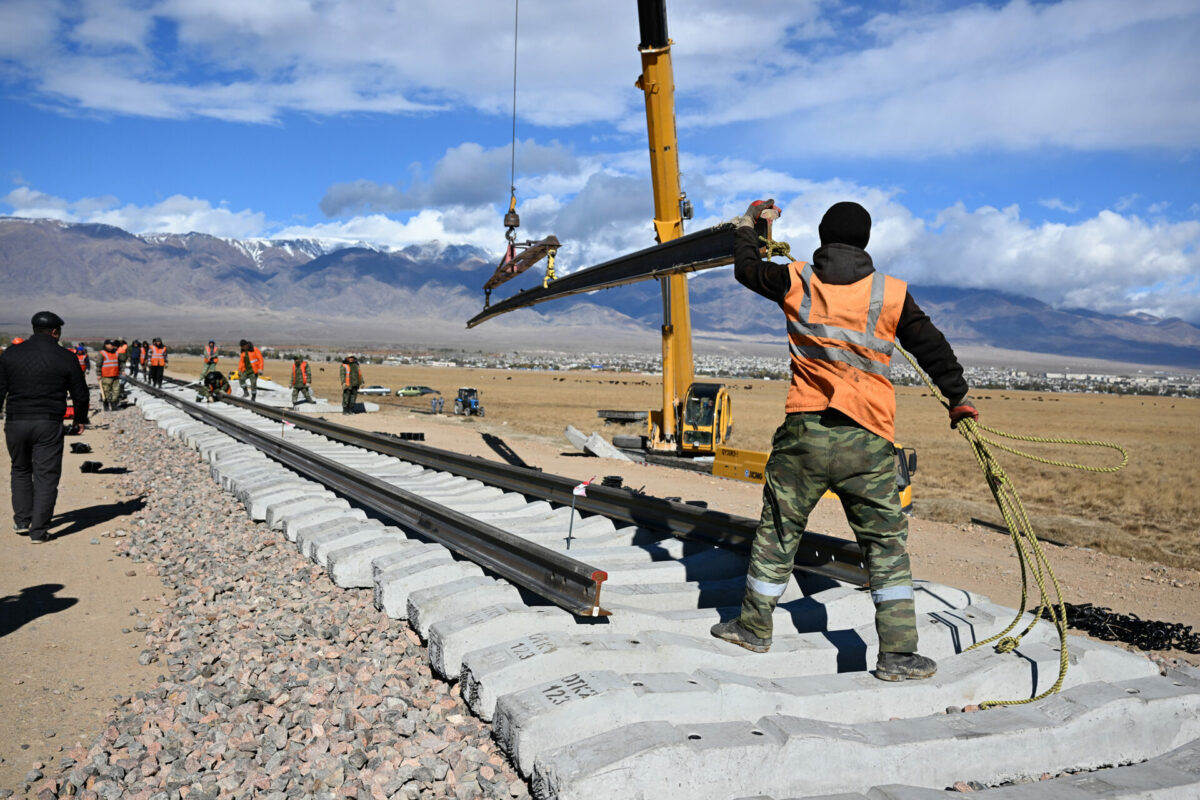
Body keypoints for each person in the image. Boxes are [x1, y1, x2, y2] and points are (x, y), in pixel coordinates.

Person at [709, 200, 978, 683]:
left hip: (804, 435)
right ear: (866, 242)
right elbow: (932, 347)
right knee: (885, 547)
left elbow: (748, 270)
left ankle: (752, 629)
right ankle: (897, 655)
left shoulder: (796, 279)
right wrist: (958, 398)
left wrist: (749, 228)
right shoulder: (891, 294)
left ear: (822, 237)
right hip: (868, 439)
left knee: (778, 533)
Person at [0, 311, 90, 543]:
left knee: (20, 469)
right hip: (48, 423)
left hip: (16, 421)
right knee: (46, 476)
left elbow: (0, 389)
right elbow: (80, 394)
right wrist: (79, 419)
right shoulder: (66, 357)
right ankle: (38, 531)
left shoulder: (11, 354)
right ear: (55, 332)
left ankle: (22, 521)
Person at [96, 340, 122, 410]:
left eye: (112, 344)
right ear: (106, 345)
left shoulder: (116, 353)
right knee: (106, 391)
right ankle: (106, 405)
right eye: (110, 344)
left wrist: (121, 371)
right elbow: (98, 365)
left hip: (115, 375)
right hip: (106, 376)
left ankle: (114, 406)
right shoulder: (102, 353)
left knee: (116, 390)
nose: (112, 346)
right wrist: (98, 374)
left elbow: (119, 364)